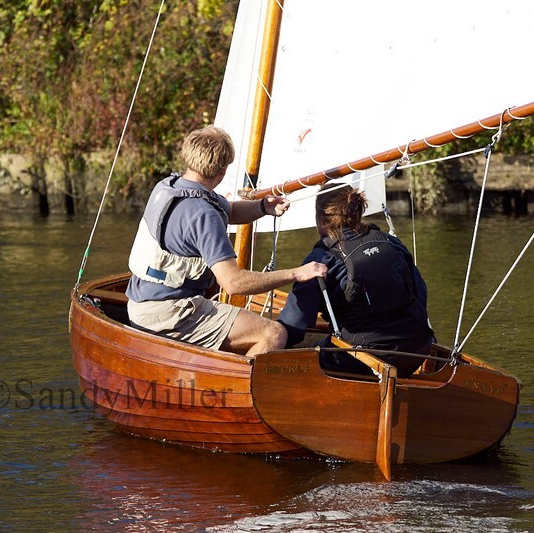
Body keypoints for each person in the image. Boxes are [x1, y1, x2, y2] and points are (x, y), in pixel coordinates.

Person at [126, 126, 326, 357]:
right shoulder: (203, 214)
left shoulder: (170, 186)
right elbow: (233, 283)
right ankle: (238, 390)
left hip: (140, 302)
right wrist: (295, 274)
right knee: (273, 334)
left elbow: (228, 210)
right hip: (169, 314)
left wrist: (263, 207)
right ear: (222, 170)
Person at [277, 183, 434, 377]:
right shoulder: (390, 242)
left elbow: (295, 322)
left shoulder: (321, 259)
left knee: (300, 356)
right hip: (418, 348)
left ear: (320, 219)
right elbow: (420, 294)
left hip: (364, 359)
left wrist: (272, 338)